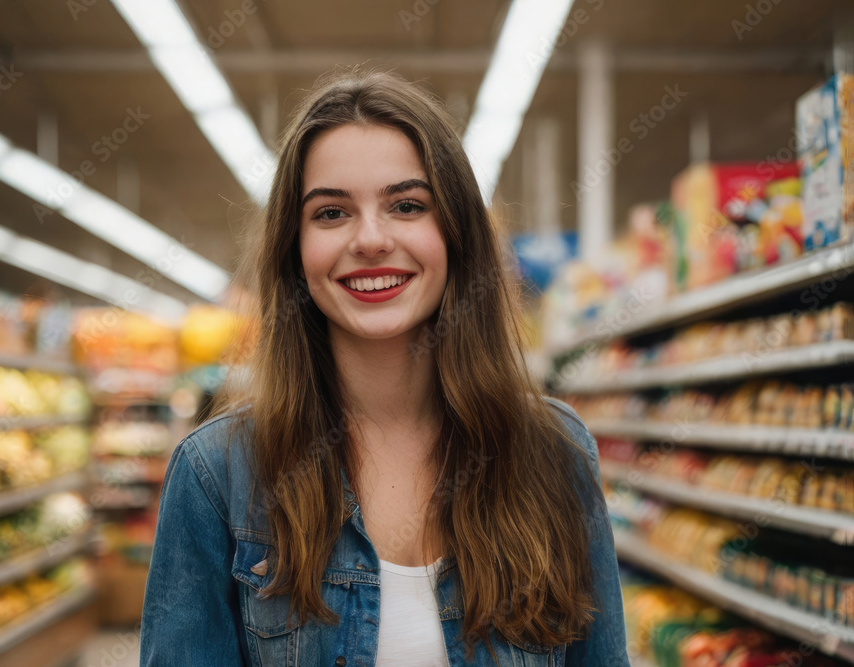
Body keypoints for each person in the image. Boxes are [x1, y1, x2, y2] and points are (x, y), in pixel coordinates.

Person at [140, 70, 630, 666]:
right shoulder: (217, 475)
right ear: (294, 249)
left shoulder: (553, 452)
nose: (371, 239)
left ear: (455, 234)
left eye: (407, 205)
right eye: (330, 213)